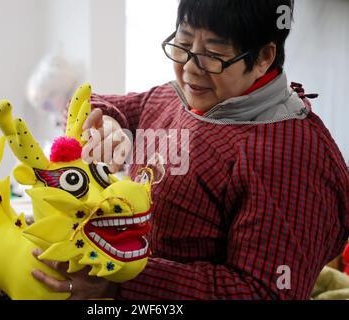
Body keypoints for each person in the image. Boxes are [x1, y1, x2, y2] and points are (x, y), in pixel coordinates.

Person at [31, 0, 349, 299]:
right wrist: (108, 123)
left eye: (213, 54)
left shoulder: (291, 154)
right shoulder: (180, 99)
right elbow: (87, 104)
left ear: (264, 56)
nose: (190, 69)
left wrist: (116, 283)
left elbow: (262, 291)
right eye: (183, 44)